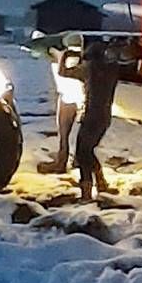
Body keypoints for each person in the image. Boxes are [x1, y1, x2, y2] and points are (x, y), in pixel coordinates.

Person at [65, 40, 121, 200]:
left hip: (90, 116)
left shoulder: (87, 70)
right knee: (87, 151)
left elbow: (63, 72)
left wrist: (65, 56)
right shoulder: (111, 70)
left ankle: (87, 192)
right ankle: (101, 182)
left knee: (82, 153)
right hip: (104, 116)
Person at [37, 43, 85, 175]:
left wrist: (62, 54)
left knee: (77, 133)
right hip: (68, 90)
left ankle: (77, 162)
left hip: (76, 90)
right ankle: (64, 159)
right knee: (65, 131)